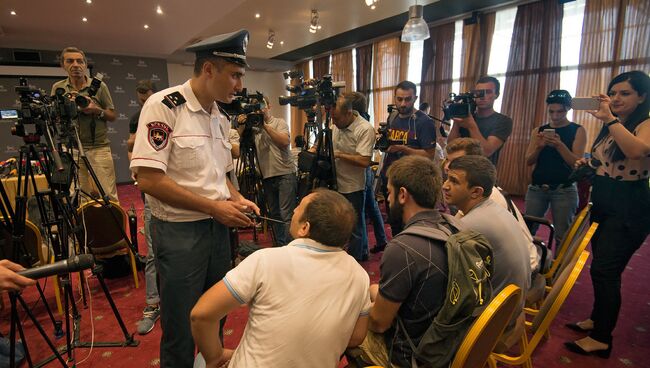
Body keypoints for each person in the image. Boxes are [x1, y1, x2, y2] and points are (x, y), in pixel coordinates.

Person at [130, 29, 260, 368]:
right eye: (234, 75)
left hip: (217, 230)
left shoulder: (219, 115)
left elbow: (220, 177)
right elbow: (148, 179)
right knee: (181, 327)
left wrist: (237, 197)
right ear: (208, 70)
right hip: (179, 234)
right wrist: (214, 207)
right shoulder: (164, 106)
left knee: (213, 318)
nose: (238, 84)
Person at [190, 189, 371, 368]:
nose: (293, 210)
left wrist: (216, 355)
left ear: (304, 228)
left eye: (298, 207)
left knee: (200, 361)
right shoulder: (360, 275)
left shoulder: (266, 260)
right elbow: (356, 336)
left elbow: (201, 315)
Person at [565, 71, 650, 358]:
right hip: (604, 199)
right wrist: (587, 162)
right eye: (613, 93)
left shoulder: (643, 122)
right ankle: (597, 319)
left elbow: (637, 151)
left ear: (642, 96)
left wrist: (610, 120)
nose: (616, 99)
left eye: (624, 94)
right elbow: (603, 158)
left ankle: (602, 338)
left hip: (629, 205)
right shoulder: (614, 124)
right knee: (600, 266)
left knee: (606, 271)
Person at [356, 155, 448, 367]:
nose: (387, 200)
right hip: (444, 343)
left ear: (403, 195)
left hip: (412, 356)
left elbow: (379, 324)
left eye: (388, 192)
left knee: (347, 330)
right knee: (373, 291)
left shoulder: (403, 248)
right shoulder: (452, 228)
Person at [443, 155, 530, 349]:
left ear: (476, 192)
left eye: (454, 181)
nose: (445, 186)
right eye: (447, 178)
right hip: (511, 308)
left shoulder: (471, 226)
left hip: (491, 320)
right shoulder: (492, 209)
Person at [445, 138, 541, 275]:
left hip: (523, 273)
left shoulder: (489, 198)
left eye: (457, 161)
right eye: (447, 160)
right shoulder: (483, 192)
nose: (448, 166)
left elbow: (458, 236)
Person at [51, 47, 119, 201]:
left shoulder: (99, 86)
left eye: (79, 61)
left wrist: (96, 110)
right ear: (63, 65)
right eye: (70, 61)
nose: (75, 65)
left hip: (98, 147)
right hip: (72, 149)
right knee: (80, 196)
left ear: (85, 64)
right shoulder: (58, 88)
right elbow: (53, 116)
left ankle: (112, 225)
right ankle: (87, 225)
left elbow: (112, 115)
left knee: (108, 194)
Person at [378, 80, 437, 247]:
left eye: (408, 99)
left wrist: (403, 148)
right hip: (391, 176)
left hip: (412, 181)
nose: (403, 104)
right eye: (399, 99)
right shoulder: (393, 116)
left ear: (415, 98)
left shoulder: (423, 122)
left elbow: (429, 155)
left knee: (411, 225)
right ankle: (398, 249)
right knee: (395, 222)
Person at [524, 90, 586, 244]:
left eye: (560, 111)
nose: (555, 116)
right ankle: (529, 264)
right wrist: (539, 147)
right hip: (537, 188)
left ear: (568, 109)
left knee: (563, 236)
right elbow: (528, 161)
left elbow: (576, 164)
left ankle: (557, 268)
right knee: (526, 231)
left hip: (564, 189)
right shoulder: (538, 131)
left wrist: (560, 146)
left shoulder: (577, 130)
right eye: (552, 111)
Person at [126, 79, 161, 335]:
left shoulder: (167, 113)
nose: (142, 100)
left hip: (175, 196)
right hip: (151, 196)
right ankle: (153, 304)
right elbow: (130, 146)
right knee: (152, 253)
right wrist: (136, 171)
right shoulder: (137, 118)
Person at [237, 96, 296, 246]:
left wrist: (264, 126)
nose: (260, 111)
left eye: (262, 107)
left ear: (268, 106)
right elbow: (241, 146)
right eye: (256, 108)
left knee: (286, 214)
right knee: (274, 214)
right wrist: (243, 125)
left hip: (285, 174)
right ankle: (280, 245)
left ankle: (290, 247)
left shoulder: (279, 122)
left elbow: (284, 142)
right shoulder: (253, 128)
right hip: (267, 176)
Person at [331, 92, 376, 262]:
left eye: (337, 119)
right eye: (332, 119)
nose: (334, 123)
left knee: (355, 227)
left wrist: (339, 155)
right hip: (335, 183)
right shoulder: (337, 122)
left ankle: (355, 262)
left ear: (349, 113)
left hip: (353, 186)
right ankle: (353, 254)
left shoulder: (365, 129)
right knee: (340, 223)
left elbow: (364, 160)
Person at [348, 92, 388, 256]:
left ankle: (363, 250)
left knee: (361, 212)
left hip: (361, 170)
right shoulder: (366, 119)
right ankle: (381, 239)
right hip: (367, 170)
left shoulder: (360, 125)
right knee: (371, 206)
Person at [447, 76, 513, 166]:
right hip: (459, 169)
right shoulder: (467, 118)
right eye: (479, 93)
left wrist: (471, 126)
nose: (482, 96)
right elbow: (451, 146)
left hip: (482, 174)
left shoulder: (503, 121)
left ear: (496, 95)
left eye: (488, 92)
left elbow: (486, 151)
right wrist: (457, 121)